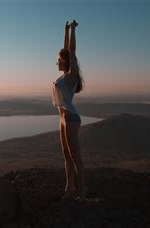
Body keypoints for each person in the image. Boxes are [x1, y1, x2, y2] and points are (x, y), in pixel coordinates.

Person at [52, 20, 87, 202]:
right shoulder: (64, 76)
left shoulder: (71, 76)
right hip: (63, 119)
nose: (56, 62)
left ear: (65, 62)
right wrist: (64, 30)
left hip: (72, 119)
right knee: (66, 155)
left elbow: (71, 51)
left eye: (58, 60)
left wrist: (73, 30)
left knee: (75, 157)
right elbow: (65, 50)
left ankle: (82, 193)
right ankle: (69, 188)